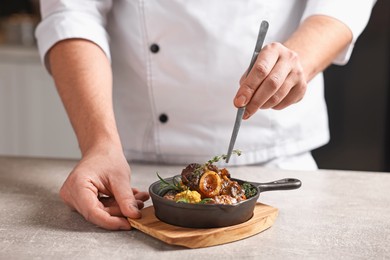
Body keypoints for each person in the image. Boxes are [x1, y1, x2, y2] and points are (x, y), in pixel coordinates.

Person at [35, 1, 375, 230]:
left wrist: (300, 58)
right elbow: (71, 13)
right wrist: (99, 144)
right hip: (127, 174)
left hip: (276, 156)